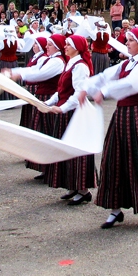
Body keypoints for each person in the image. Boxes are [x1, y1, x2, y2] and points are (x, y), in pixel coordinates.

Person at [81, 26, 138, 228]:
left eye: (130, 40)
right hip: (121, 115)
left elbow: (133, 85)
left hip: (136, 115)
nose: (126, 43)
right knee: (115, 160)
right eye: (127, 39)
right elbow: (104, 76)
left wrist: (104, 91)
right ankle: (115, 209)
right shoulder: (127, 62)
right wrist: (85, 88)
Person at [45, 35, 96, 204]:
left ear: (77, 47)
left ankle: (83, 189)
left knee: (76, 150)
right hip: (66, 111)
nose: (65, 47)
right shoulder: (71, 62)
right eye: (65, 44)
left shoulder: (80, 66)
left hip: (75, 112)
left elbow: (79, 93)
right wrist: (49, 102)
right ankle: (73, 186)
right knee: (67, 149)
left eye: (68, 44)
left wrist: (62, 108)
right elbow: (61, 90)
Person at [6, 34, 65, 178]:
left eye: (49, 45)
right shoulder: (49, 59)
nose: (46, 47)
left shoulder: (57, 61)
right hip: (43, 98)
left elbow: (40, 75)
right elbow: (33, 70)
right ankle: (45, 167)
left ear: (57, 47)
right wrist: (16, 72)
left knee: (47, 132)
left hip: (49, 98)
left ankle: (50, 168)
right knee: (41, 131)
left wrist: (18, 75)